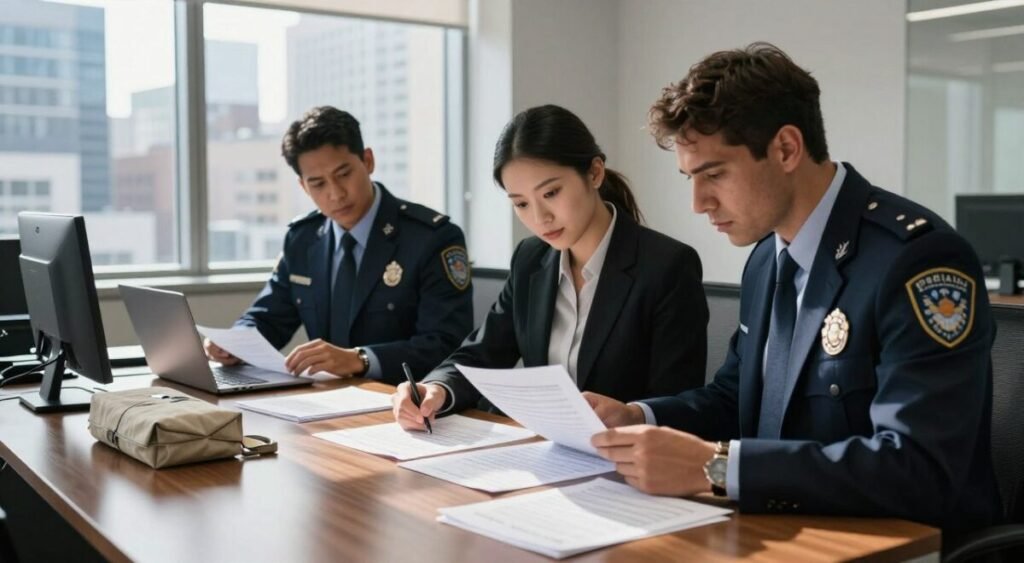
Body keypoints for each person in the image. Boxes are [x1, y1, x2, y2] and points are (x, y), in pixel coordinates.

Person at [586, 43, 1001, 534]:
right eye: (689, 179)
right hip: (786, 532)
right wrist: (638, 416)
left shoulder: (915, 260)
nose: (699, 203)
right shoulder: (767, 259)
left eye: (714, 174)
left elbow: (918, 467)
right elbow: (735, 398)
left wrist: (715, 467)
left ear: (786, 148)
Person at [392, 104, 708, 430]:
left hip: (627, 462)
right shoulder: (531, 258)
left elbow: (679, 405)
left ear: (595, 173)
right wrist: (435, 388)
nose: (540, 218)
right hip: (545, 454)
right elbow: (482, 353)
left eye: (551, 192)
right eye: (521, 204)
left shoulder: (667, 266)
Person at [204, 106, 474, 384]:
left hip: (406, 403)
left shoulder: (431, 237)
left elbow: (446, 344)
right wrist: (234, 342)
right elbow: (268, 316)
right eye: (318, 184)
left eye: (344, 174)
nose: (335, 194)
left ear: (367, 161)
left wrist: (361, 359)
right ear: (303, 186)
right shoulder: (303, 238)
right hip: (327, 402)